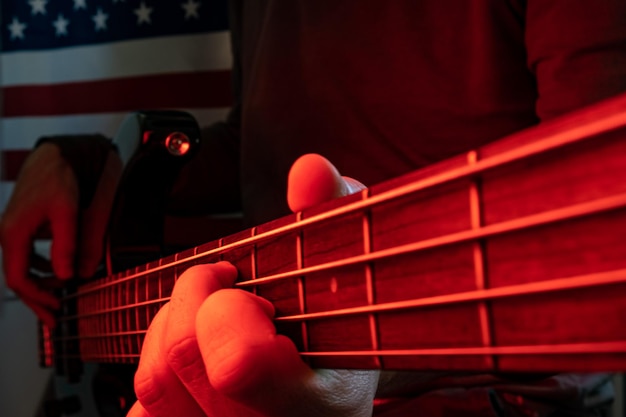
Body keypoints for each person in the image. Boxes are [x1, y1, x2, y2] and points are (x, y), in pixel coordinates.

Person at [2, 1, 626, 416]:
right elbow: (261, 142)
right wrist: (80, 163)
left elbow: (595, 223)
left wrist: (357, 367)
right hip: (250, 351)